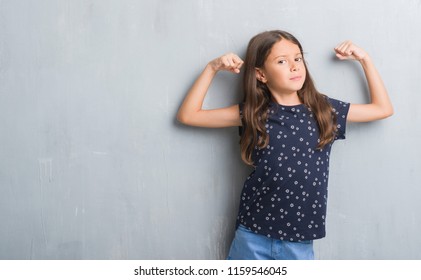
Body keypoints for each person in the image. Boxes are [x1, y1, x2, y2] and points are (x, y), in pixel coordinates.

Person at [176, 30, 393, 260]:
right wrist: (212, 68)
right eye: (282, 61)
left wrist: (364, 60)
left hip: (299, 241)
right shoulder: (251, 113)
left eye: (298, 58)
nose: (294, 66)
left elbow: (382, 109)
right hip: (253, 235)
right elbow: (188, 115)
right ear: (261, 74)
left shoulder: (324, 110)